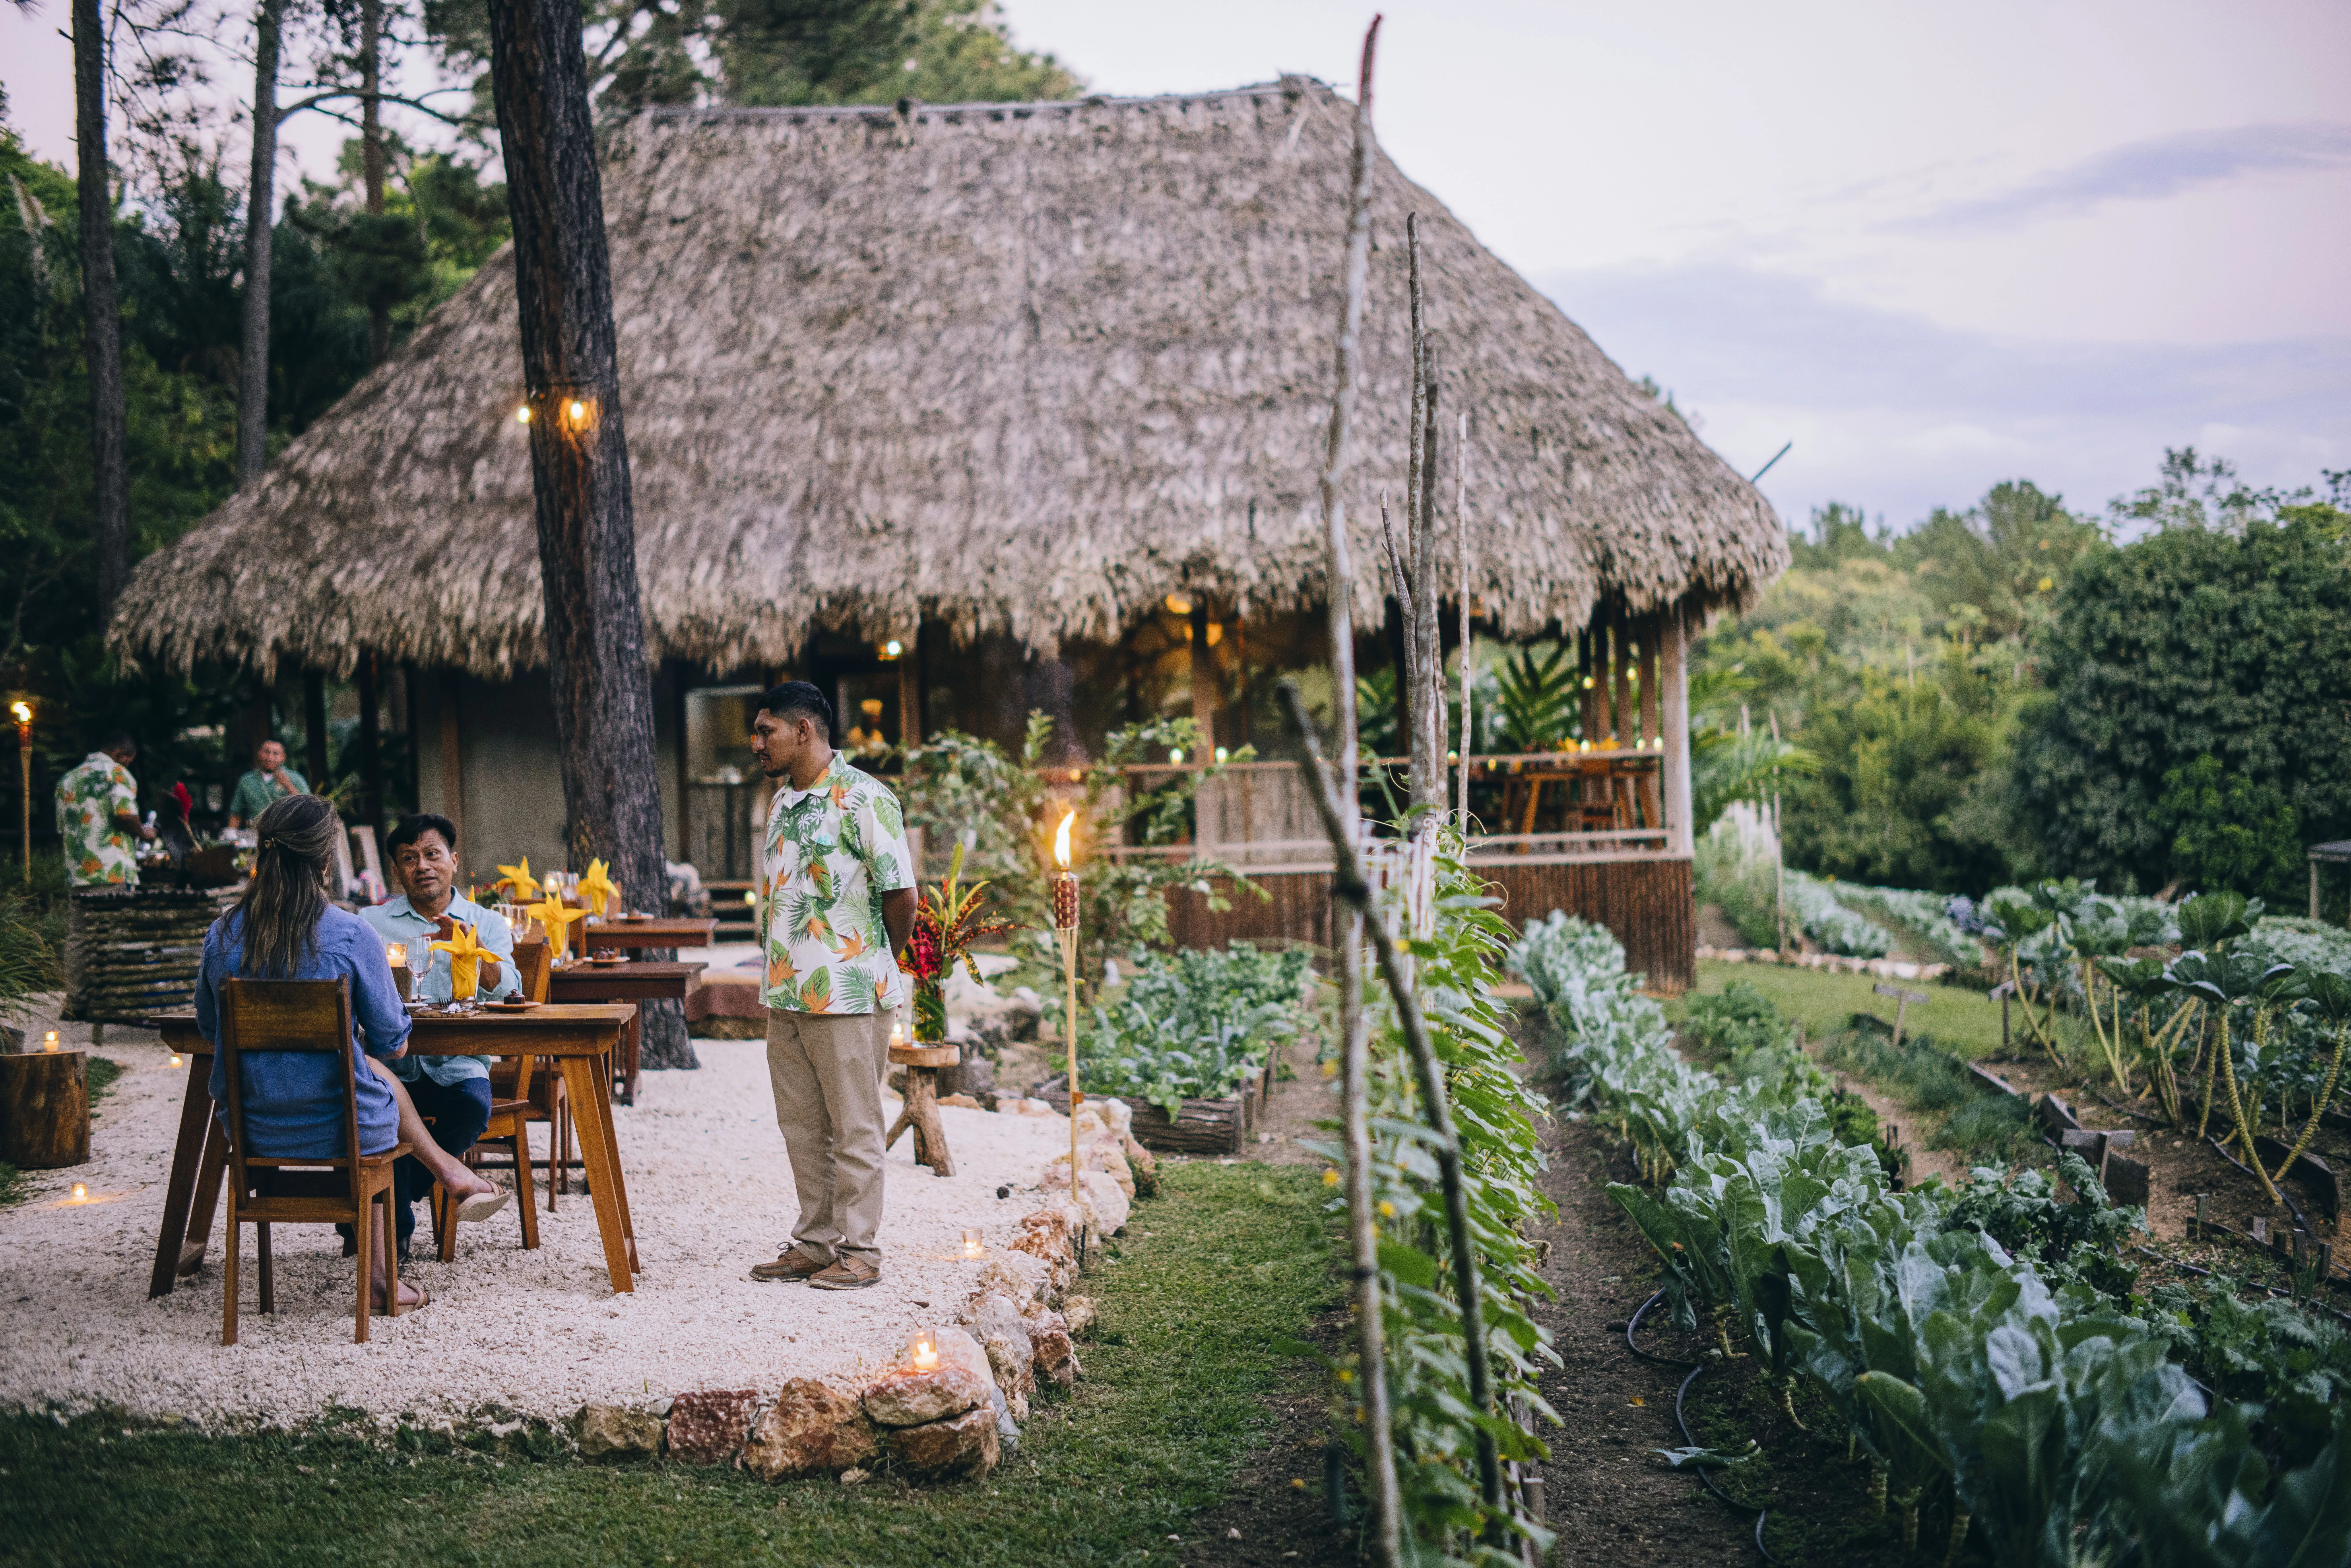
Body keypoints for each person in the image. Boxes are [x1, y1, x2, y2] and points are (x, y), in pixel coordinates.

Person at [195, 794, 506, 1312]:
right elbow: (394, 1041)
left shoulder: (221, 933)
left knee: (375, 1076)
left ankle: (448, 1176)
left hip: (252, 1126)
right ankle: (389, 1268)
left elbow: (211, 1029)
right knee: (377, 1075)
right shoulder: (350, 931)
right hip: (344, 1129)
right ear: (323, 861)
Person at [746, 681, 917, 1291]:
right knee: (801, 1124)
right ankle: (815, 1242)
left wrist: (872, 964)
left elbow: (902, 894)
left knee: (855, 1123)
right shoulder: (780, 802)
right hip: (785, 994)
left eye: (766, 730)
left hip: (847, 991)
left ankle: (861, 1249)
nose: (755, 742)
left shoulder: (865, 798)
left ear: (804, 731)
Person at [358, 812, 519, 1257]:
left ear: (453, 859)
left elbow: (510, 988)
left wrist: (473, 946)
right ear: (396, 870)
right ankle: (395, 1230)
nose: (422, 866)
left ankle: (396, 1206)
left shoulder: (486, 921)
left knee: (470, 1107)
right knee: (373, 1116)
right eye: (409, 859)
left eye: (432, 855)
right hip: (390, 1066)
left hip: (459, 1064)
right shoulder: (371, 922)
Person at [55, 732, 157, 887]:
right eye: (128, 762)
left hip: (75, 877)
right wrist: (144, 833)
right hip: (113, 874)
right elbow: (126, 817)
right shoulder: (117, 773)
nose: (127, 767)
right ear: (120, 754)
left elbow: (62, 832)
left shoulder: (66, 780)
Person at [226, 738, 309, 830]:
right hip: (256, 834)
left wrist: (289, 786)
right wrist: (230, 835)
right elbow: (236, 813)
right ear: (260, 754)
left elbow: (308, 809)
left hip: (287, 834)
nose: (270, 758)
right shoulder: (247, 780)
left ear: (283, 757)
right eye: (267, 752)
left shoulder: (296, 779)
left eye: (276, 754)